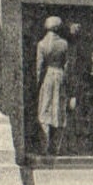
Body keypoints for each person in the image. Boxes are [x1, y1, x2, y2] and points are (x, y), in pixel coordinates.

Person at [34, 15, 74, 156]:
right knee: (59, 110)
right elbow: (68, 66)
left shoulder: (42, 44)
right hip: (60, 75)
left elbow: (39, 66)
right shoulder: (64, 44)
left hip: (48, 76)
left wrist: (37, 83)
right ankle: (56, 147)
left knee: (44, 109)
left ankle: (44, 146)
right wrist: (66, 81)